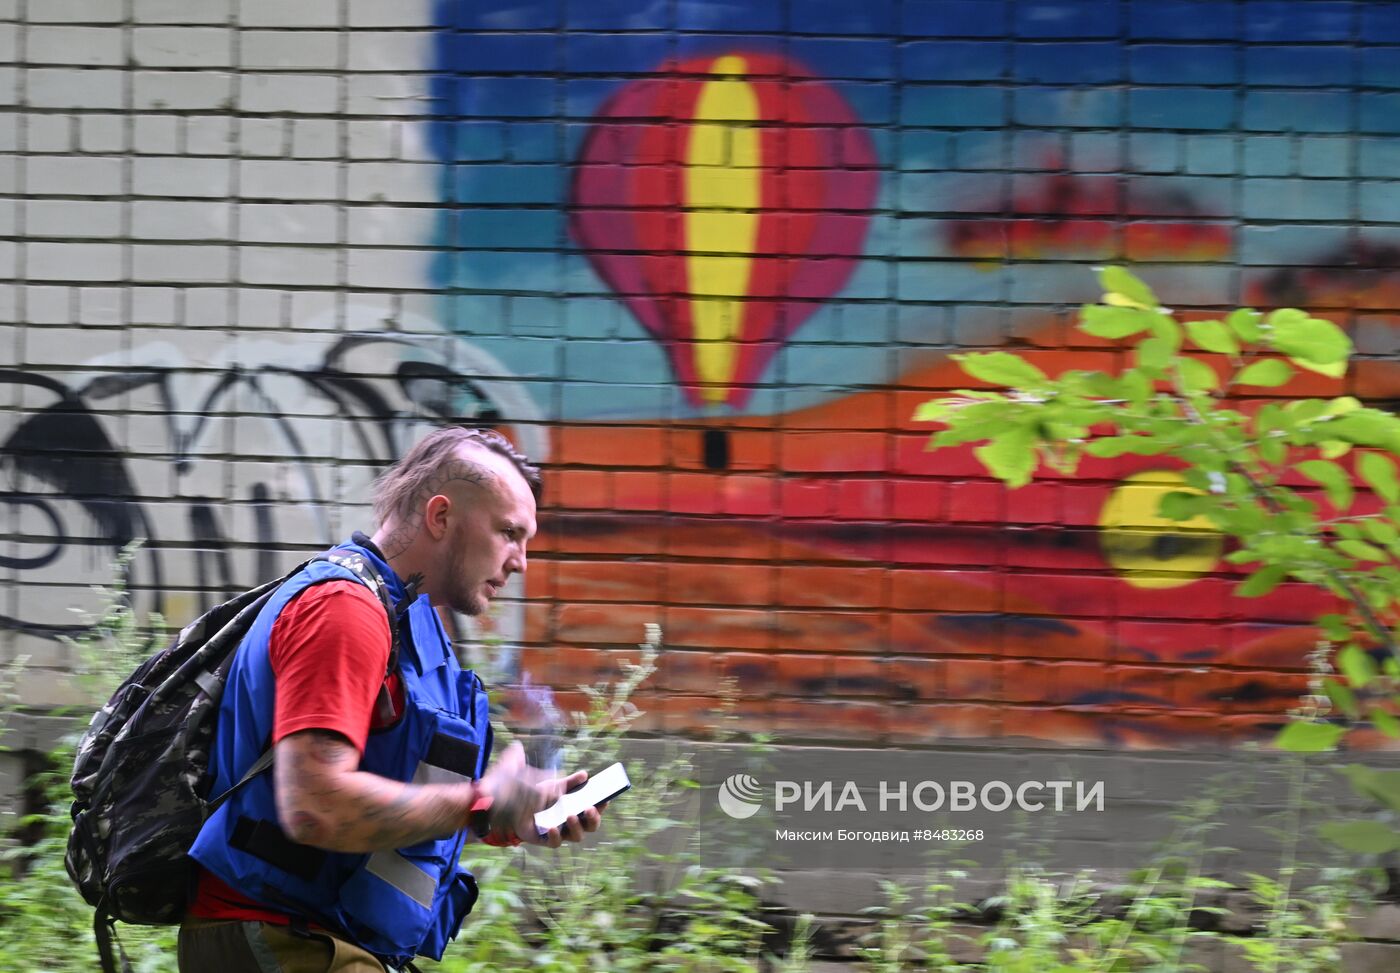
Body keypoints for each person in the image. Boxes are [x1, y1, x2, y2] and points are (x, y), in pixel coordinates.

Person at [180, 427, 600, 972]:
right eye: (507, 532)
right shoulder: (343, 610)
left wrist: (508, 815)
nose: (520, 560)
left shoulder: (409, 618)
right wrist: (481, 799)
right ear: (441, 516)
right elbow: (316, 807)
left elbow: (401, 787)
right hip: (282, 939)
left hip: (329, 938)